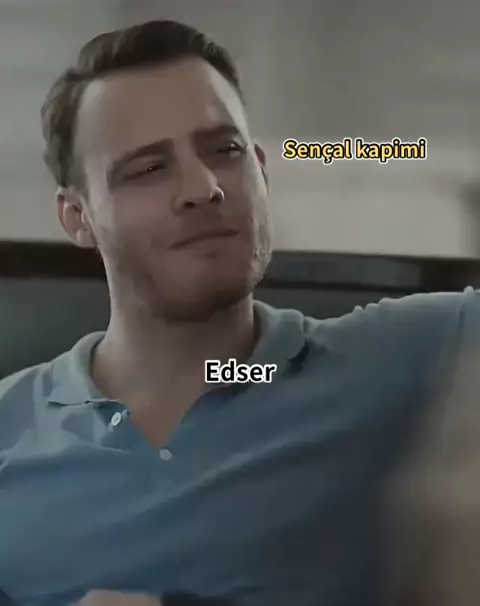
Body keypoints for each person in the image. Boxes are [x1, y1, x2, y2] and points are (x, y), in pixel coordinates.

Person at [0, 19, 479, 606]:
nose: (203, 187)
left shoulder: (403, 356)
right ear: (78, 217)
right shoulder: (11, 433)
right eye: (148, 169)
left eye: (225, 151)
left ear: (261, 169)